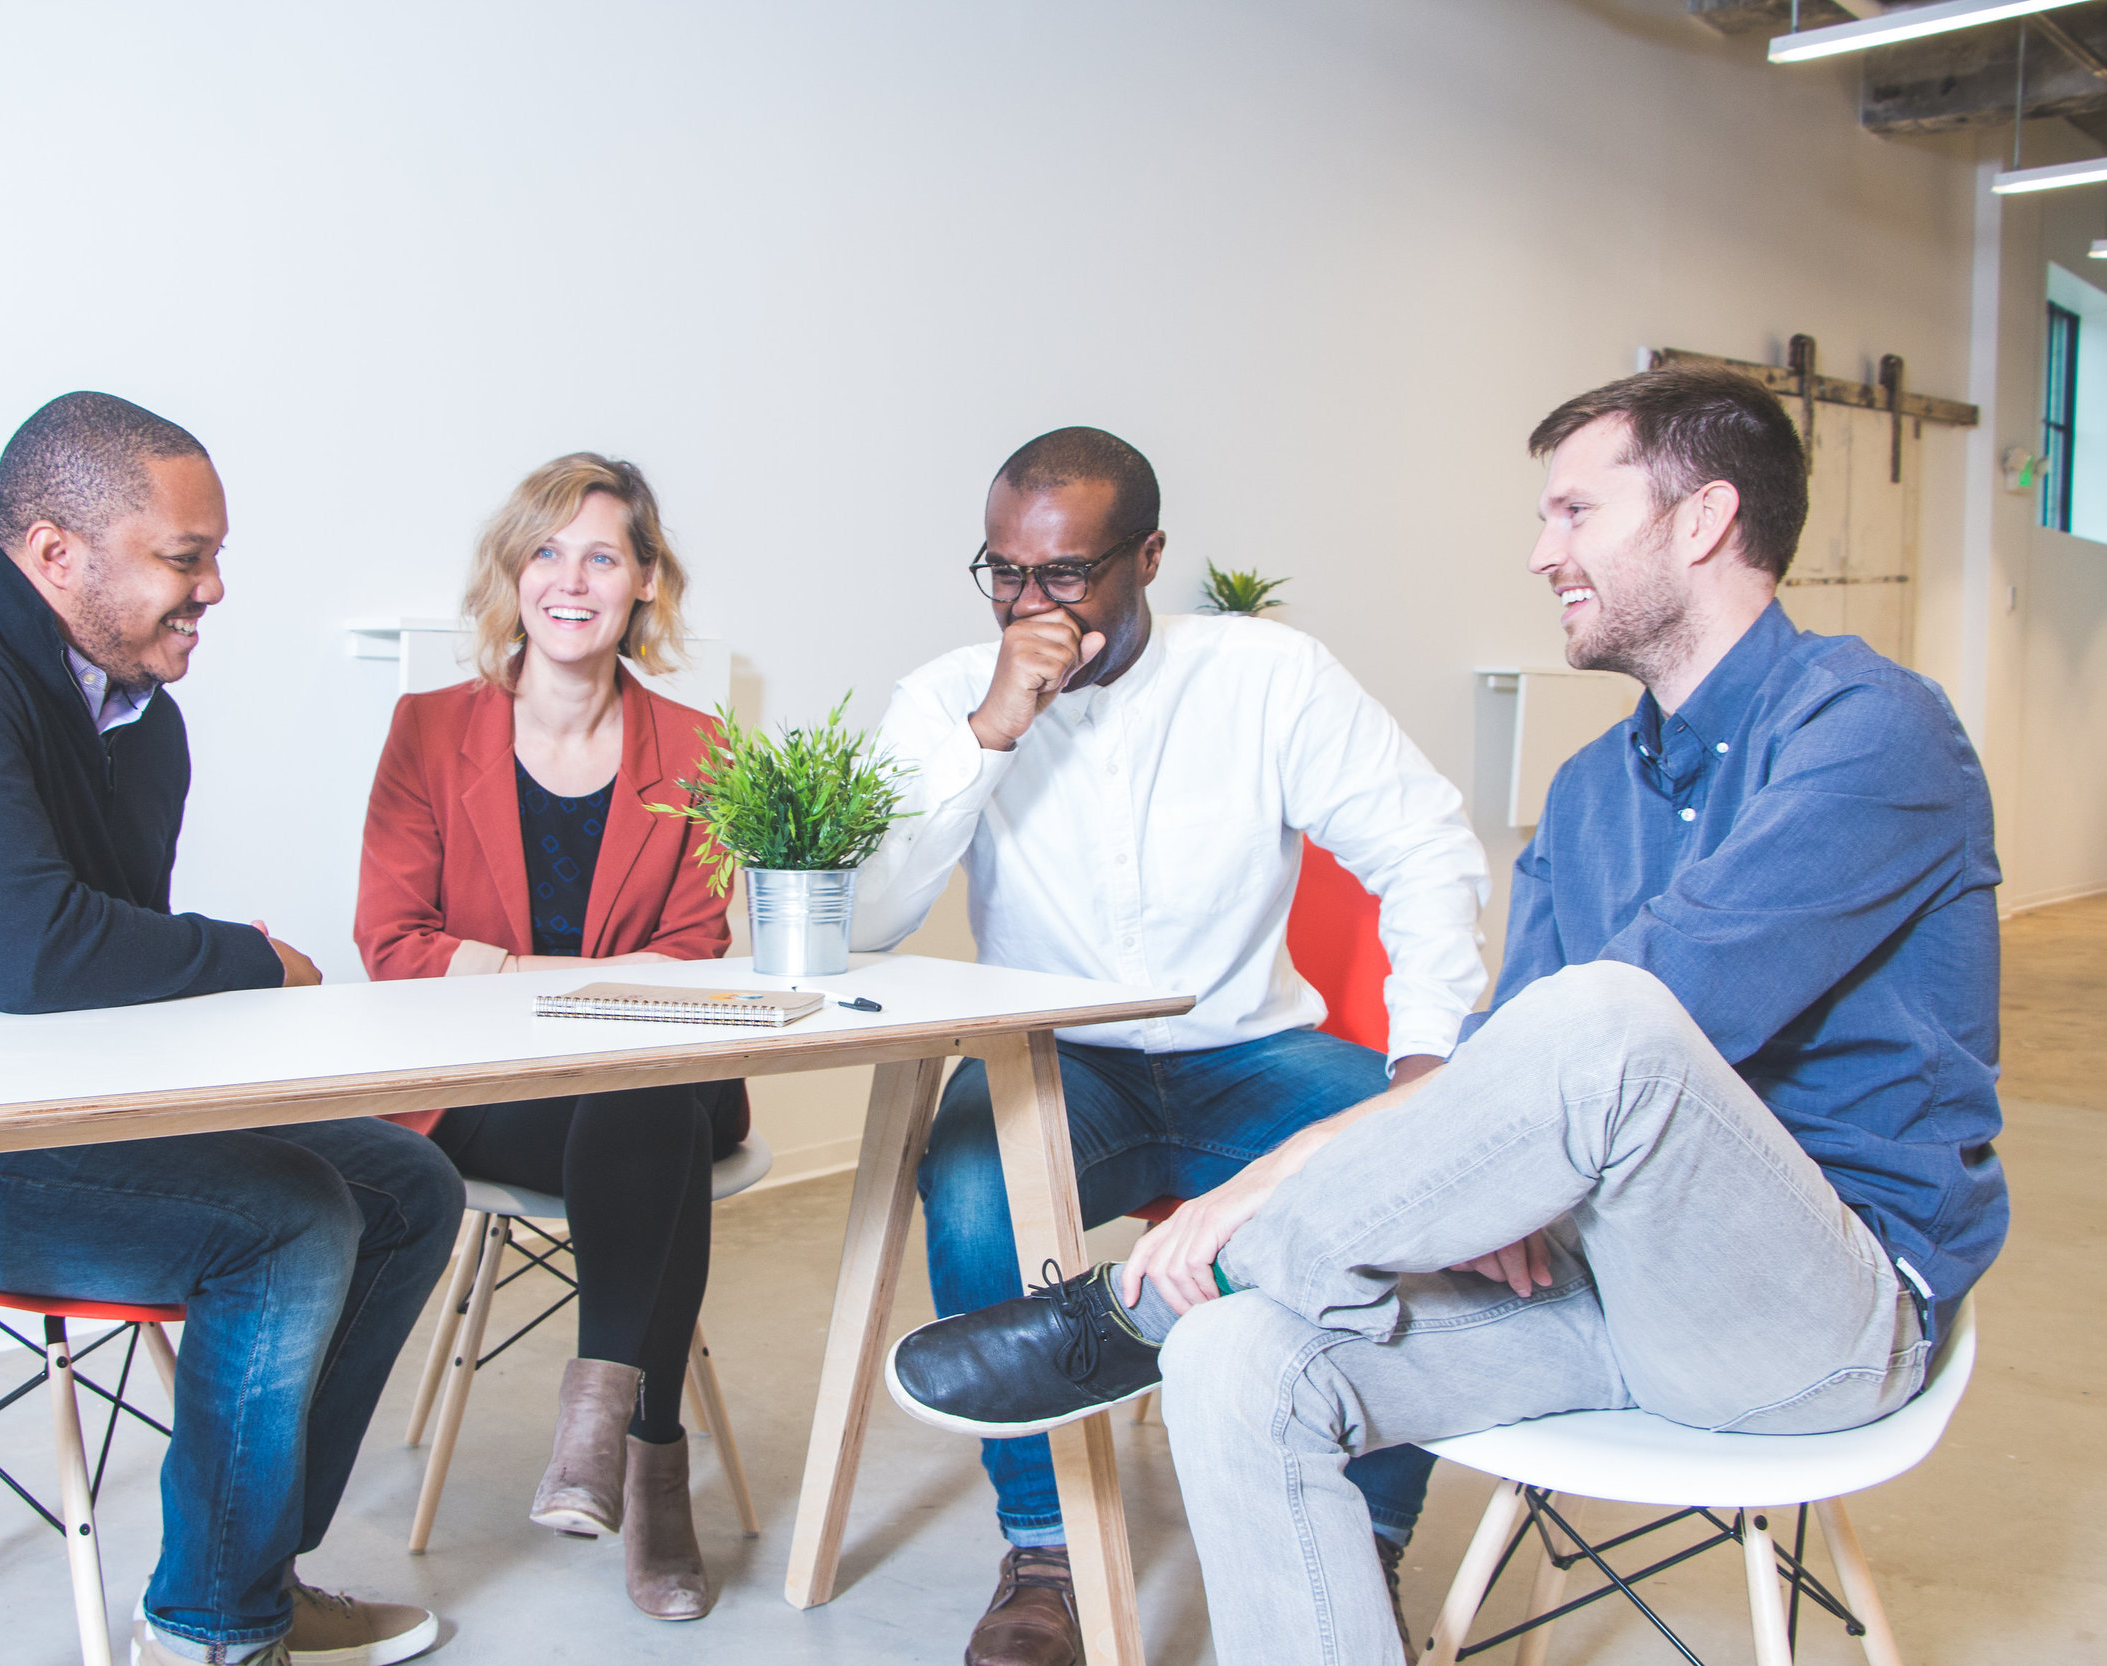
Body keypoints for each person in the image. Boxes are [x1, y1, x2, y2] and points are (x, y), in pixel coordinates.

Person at [890, 368, 2009, 1666]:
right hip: (1605, 1287)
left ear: (1702, 519)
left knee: (1611, 1017)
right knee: (1233, 1364)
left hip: (1817, 1313)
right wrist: (1482, 1177)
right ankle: (1176, 1331)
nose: (1542, 553)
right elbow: (1504, 1078)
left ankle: (1142, 1302)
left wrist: (1255, 1196)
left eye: (1576, 513)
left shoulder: (1874, 731)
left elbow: (1643, 1022)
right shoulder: (1591, 793)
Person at [0, 392, 461, 1666]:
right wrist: (260, 959)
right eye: (183, 558)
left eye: (214, 554)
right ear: (52, 552)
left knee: (406, 1180)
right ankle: (215, 1629)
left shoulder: (141, 719)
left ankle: (238, 1566)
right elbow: (41, 954)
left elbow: (113, 981)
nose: (216, 588)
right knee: (289, 1220)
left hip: (48, 1106)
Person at [857, 426, 1493, 1666]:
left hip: (1251, 1050)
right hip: (1062, 1062)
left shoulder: (1267, 677)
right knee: (975, 1193)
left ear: (1147, 557)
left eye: (1067, 576)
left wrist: (1424, 1062)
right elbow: (867, 914)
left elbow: (1421, 844)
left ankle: (1361, 1548)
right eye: (1003, 573)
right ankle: (1040, 1551)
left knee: (1433, 1196)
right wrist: (987, 734)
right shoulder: (947, 695)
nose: (1032, 606)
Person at [355, 452, 738, 1622]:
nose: (570, 579)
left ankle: (592, 1424)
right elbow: (392, 941)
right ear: (512, 573)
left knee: (648, 1091)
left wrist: (545, 984)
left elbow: (700, 946)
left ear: (644, 582)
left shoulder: (697, 740)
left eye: (602, 555)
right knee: (653, 1111)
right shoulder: (429, 729)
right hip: (492, 1088)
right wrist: (561, 981)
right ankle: (648, 1460)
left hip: (655, 1068)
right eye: (546, 551)